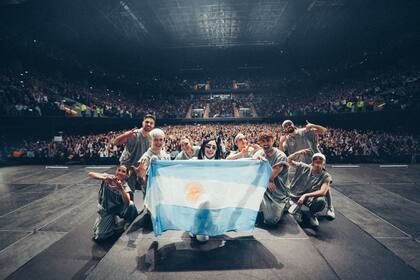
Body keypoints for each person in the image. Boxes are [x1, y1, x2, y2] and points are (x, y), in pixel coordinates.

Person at [280, 120, 335, 220]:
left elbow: (324, 130)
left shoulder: (304, 131)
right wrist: (280, 141)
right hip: (301, 166)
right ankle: (303, 207)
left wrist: (313, 125)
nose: (288, 126)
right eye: (285, 126)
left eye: (289, 124)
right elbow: (282, 152)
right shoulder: (287, 140)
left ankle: (330, 208)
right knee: (302, 185)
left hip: (315, 162)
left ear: (293, 125)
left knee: (325, 183)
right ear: (284, 129)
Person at [88, 165, 138, 242]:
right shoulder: (108, 177)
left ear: (126, 175)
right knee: (100, 236)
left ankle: (130, 221)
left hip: (118, 208)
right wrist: (104, 178)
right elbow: (91, 174)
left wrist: (121, 189)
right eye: (119, 170)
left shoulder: (124, 185)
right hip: (106, 209)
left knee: (131, 205)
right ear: (116, 171)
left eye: (123, 171)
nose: (120, 173)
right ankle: (112, 224)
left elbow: (127, 202)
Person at [287, 149, 332, 227]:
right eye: (316, 159)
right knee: (291, 212)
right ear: (312, 161)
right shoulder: (303, 167)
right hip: (294, 195)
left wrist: (305, 195)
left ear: (324, 162)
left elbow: (323, 192)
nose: (318, 160)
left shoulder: (325, 175)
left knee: (321, 201)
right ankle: (298, 212)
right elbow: (289, 161)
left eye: (320, 159)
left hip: (308, 198)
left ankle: (312, 214)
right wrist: (297, 153)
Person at [253, 131, 289, 226]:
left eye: (268, 140)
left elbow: (271, 176)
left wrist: (268, 180)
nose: (265, 144)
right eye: (263, 141)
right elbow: (253, 172)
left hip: (277, 193)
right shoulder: (258, 154)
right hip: (264, 189)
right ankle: (262, 208)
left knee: (271, 221)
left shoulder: (280, 156)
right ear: (260, 142)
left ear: (273, 141)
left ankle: (284, 204)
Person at [113, 114, 155, 192]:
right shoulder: (134, 134)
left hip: (141, 168)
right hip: (128, 167)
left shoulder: (151, 138)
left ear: (154, 125)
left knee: (146, 192)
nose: (149, 124)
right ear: (143, 123)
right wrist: (125, 135)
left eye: (151, 123)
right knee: (127, 192)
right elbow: (115, 142)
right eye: (147, 122)